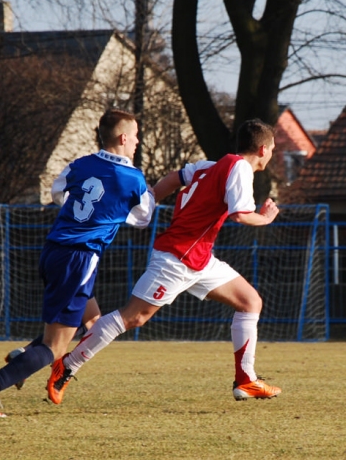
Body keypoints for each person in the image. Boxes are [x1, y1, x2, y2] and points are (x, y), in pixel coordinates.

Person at [46, 118, 282, 405]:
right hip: (177, 258)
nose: (271, 155)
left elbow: (173, 178)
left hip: (199, 258)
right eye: (272, 150)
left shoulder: (211, 165)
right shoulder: (241, 168)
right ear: (262, 149)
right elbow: (241, 215)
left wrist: (149, 201)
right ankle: (66, 366)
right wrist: (267, 217)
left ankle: (246, 380)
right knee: (134, 317)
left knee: (250, 302)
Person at [0, 108, 156, 417]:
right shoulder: (132, 177)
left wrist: (84, 212)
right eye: (134, 136)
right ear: (122, 137)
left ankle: (25, 355)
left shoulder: (80, 164)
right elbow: (143, 218)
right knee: (56, 348)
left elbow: (56, 193)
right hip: (79, 258)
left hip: (55, 249)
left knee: (91, 322)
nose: (137, 141)